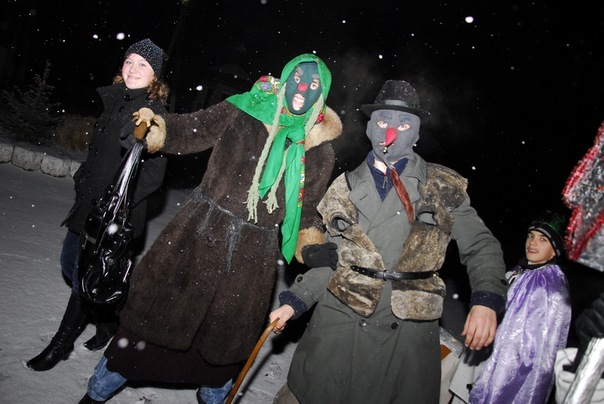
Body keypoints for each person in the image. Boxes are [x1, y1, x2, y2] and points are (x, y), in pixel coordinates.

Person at [78, 53, 342, 404]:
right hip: (197, 233)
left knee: (223, 346)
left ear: (322, 94)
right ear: (284, 79)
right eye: (296, 79)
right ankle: (95, 395)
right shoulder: (245, 109)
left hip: (252, 259)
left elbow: (306, 210)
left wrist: (310, 245)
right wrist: (156, 128)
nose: (302, 89)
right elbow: (192, 129)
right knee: (148, 325)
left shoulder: (319, 151)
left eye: (313, 85)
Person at [268, 79, 508, 404]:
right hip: (340, 323)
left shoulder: (441, 185)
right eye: (382, 122)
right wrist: (295, 301)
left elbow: (481, 246)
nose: (391, 132)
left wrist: (486, 299)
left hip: (405, 332)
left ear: (417, 134)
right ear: (370, 128)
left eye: (404, 124)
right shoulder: (343, 188)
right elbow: (333, 261)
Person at [25, 38, 169, 371]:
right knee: (70, 264)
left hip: (113, 216)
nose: (133, 69)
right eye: (129, 61)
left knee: (82, 278)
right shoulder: (116, 99)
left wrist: (118, 202)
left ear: (155, 77)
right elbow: (100, 152)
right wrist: (84, 179)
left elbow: (154, 176)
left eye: (143, 65)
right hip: (88, 205)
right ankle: (107, 321)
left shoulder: (154, 115)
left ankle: (61, 344)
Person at [469, 210, 571, 403]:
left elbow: (533, 351)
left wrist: (495, 382)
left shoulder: (551, 287)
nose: (533, 243)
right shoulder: (521, 270)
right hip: (484, 360)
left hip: (506, 377)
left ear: (554, 250)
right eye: (531, 236)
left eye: (543, 239)